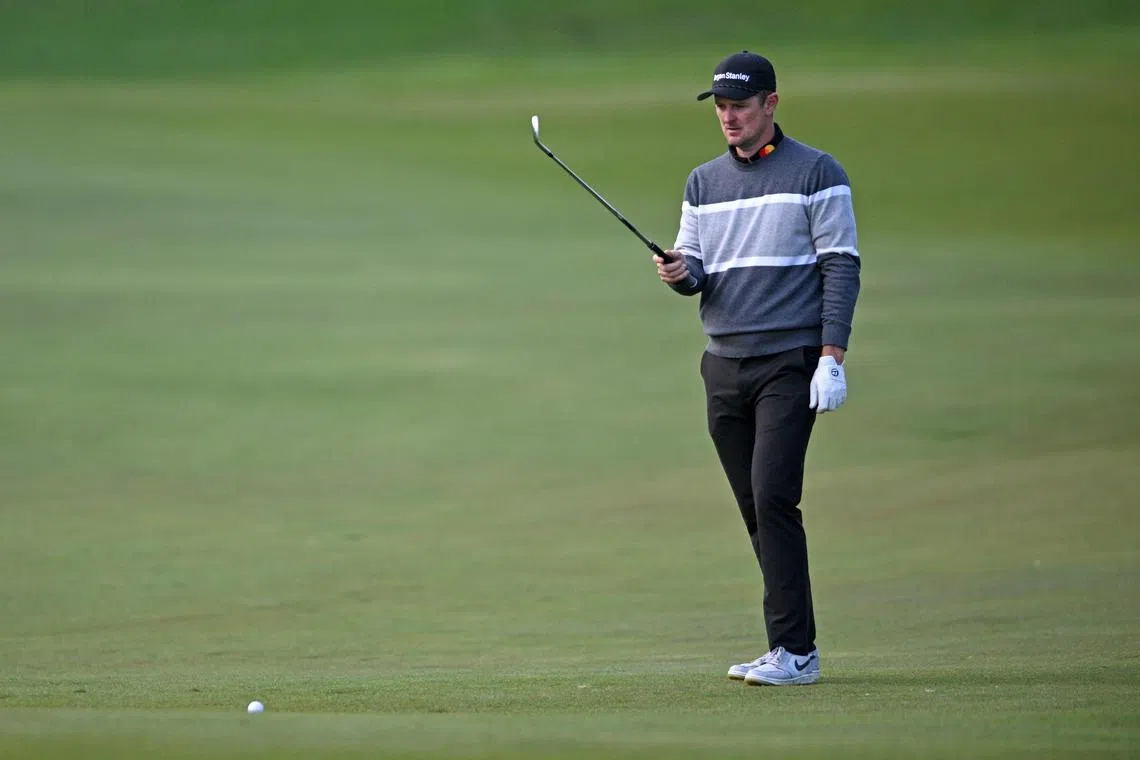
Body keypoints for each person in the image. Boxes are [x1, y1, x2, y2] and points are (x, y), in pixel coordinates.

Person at [655, 50, 861, 686]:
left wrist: (831, 356)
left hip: (787, 363)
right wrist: (680, 273)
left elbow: (841, 265)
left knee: (774, 496)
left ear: (771, 105)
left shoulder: (816, 172)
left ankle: (796, 653)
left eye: (739, 106)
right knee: (754, 507)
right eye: (720, 107)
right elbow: (695, 271)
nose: (728, 118)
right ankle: (787, 649)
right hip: (723, 365)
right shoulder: (702, 183)